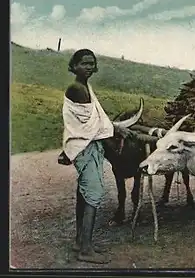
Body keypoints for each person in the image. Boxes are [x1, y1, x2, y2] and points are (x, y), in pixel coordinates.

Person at [57, 49, 134, 264]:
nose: (88, 67)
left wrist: (114, 126)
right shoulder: (77, 88)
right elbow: (93, 124)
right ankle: (86, 250)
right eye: (84, 63)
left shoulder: (85, 87)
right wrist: (116, 129)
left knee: (84, 192)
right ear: (74, 66)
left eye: (91, 63)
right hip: (85, 146)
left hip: (87, 145)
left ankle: (80, 241)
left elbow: (97, 119)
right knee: (93, 193)